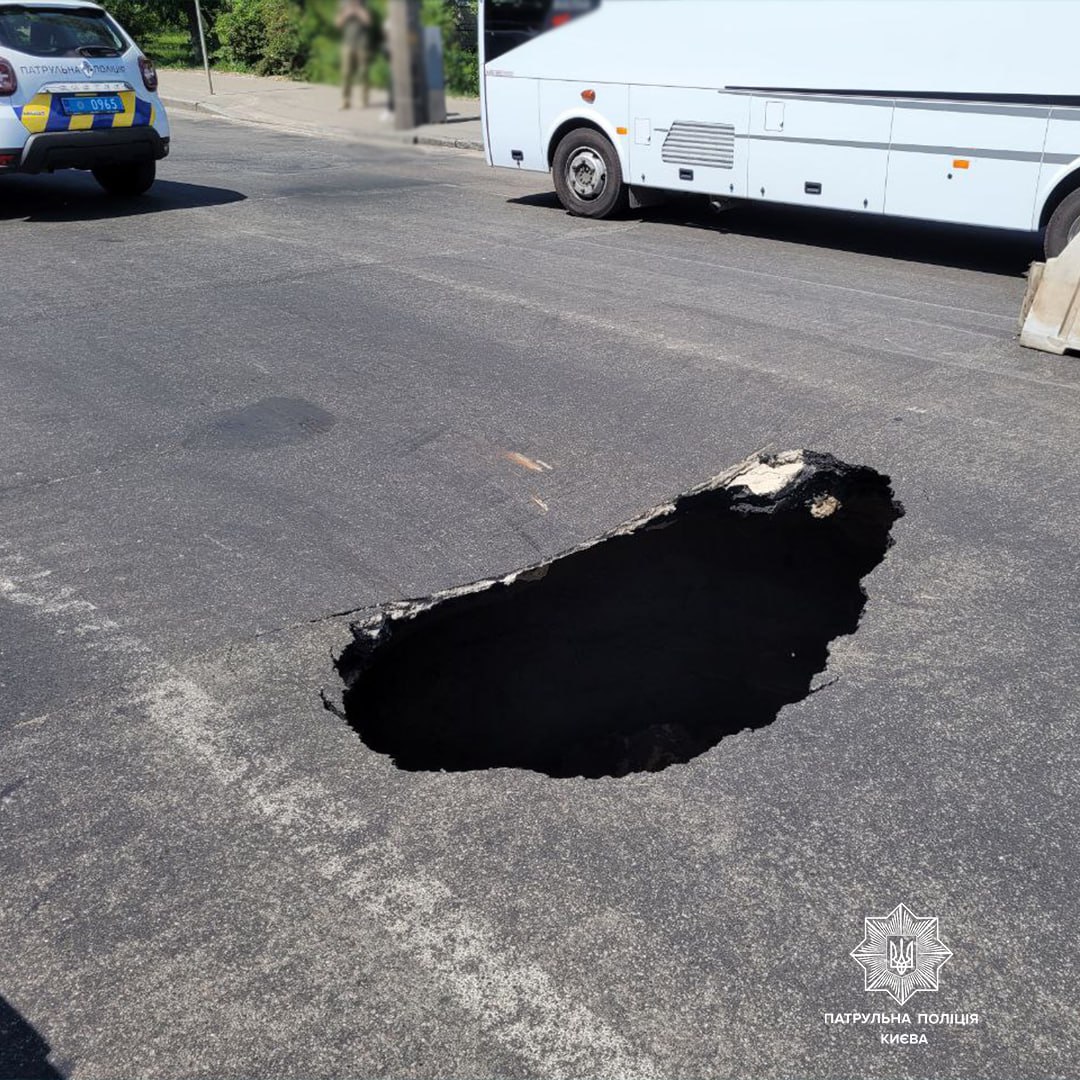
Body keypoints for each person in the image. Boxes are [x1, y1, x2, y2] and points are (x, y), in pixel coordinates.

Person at [336, 0, 371, 110]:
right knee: (346, 73)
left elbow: (368, 22)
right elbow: (338, 24)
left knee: (363, 71)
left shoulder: (364, 4)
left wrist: (359, 12)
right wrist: (347, 14)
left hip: (362, 43)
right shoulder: (342, 4)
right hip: (347, 43)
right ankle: (345, 100)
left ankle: (364, 99)